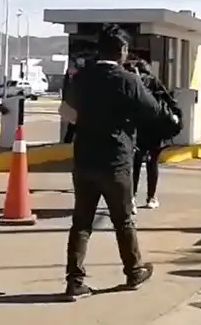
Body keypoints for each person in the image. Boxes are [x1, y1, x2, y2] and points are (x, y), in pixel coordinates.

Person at [62, 24, 179, 300]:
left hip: (84, 159)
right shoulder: (128, 80)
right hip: (115, 160)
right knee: (123, 220)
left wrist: (89, 121)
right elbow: (153, 112)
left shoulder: (81, 77)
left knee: (81, 223)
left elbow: (66, 112)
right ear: (123, 50)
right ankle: (134, 270)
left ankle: (74, 282)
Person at [129, 59, 181, 211]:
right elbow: (170, 100)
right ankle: (151, 197)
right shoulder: (154, 81)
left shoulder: (134, 83)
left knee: (136, 164)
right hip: (155, 129)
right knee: (152, 163)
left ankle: (132, 198)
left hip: (138, 129)